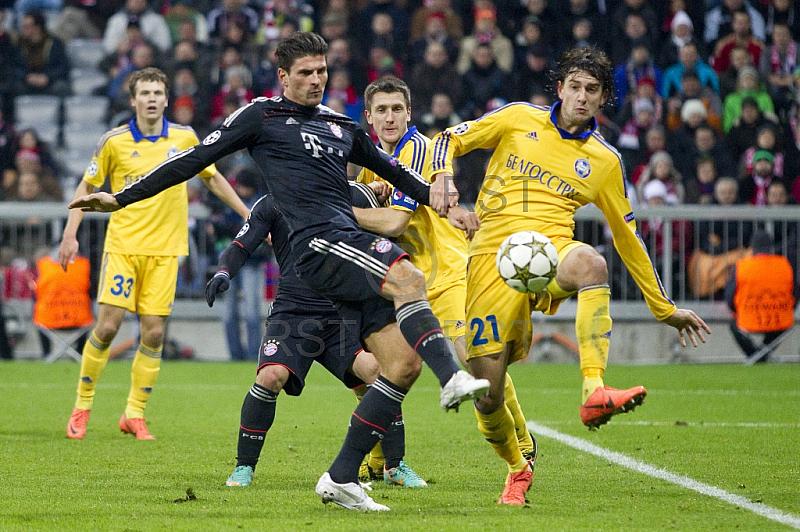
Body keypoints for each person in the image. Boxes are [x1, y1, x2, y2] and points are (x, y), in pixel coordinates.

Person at [68, 32, 488, 512]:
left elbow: (395, 173)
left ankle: (342, 477)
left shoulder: (341, 125)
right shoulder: (260, 116)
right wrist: (120, 198)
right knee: (408, 278)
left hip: (344, 246)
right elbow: (192, 159)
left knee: (399, 366)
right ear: (284, 76)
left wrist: (444, 199)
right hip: (316, 242)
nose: (316, 80)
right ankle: (452, 377)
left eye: (322, 71)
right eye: (306, 73)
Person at [429, 46, 710, 504]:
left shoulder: (605, 162)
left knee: (592, 263)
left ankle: (594, 389)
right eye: (575, 87)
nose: (582, 97)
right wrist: (442, 177)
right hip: (489, 262)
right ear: (559, 89)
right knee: (487, 395)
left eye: (592, 90)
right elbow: (447, 139)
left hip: (550, 253)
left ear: (603, 100)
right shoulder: (518, 118)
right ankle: (518, 468)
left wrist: (664, 308)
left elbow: (628, 238)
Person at [352, 77, 537, 487]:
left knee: (476, 362)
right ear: (368, 117)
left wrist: (339, 213)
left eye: (396, 109)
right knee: (371, 367)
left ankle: (522, 445)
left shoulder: (421, 149)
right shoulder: (367, 160)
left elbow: (396, 221)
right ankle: (380, 461)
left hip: (447, 275)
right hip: (398, 279)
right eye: (380, 110)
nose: (389, 117)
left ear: (408, 112)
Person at [60, 67, 249, 441]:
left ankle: (134, 413)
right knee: (109, 325)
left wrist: (247, 214)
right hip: (124, 246)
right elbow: (89, 183)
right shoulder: (113, 141)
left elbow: (211, 177)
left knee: (155, 332)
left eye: (157, 93)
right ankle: (82, 407)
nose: (150, 99)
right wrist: (70, 232)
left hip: (166, 250)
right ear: (133, 100)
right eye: (143, 93)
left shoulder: (185, 137)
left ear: (166, 99)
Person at [725, 230, 797, 362]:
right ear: (771, 247)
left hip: (749, 319)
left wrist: (740, 311)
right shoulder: (785, 265)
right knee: (779, 328)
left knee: (733, 325)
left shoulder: (742, 266)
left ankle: (757, 357)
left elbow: (729, 297)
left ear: (752, 248)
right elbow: (795, 294)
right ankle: (762, 355)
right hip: (780, 319)